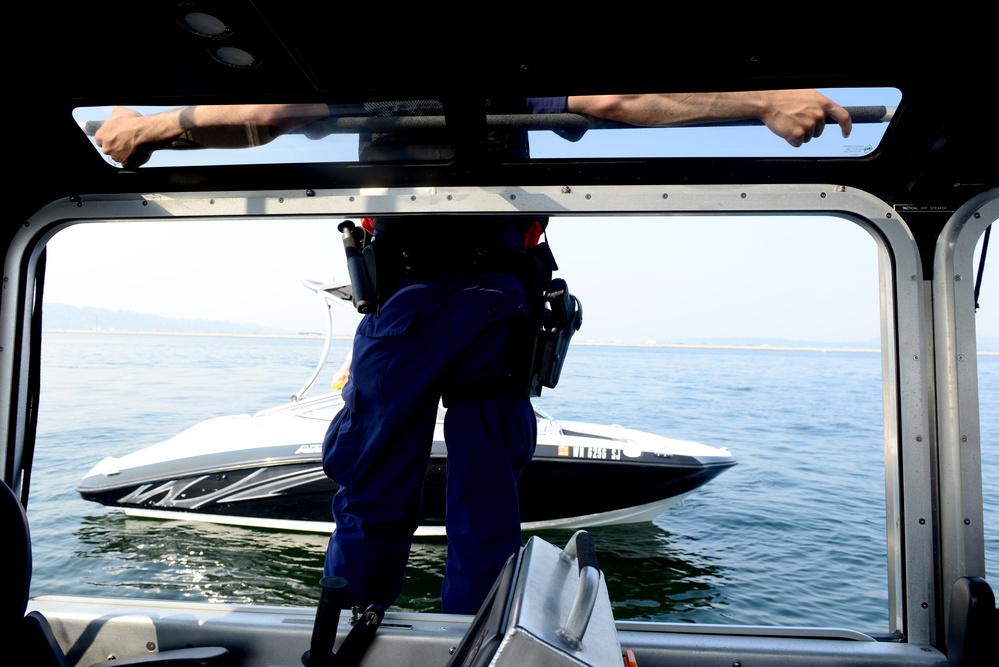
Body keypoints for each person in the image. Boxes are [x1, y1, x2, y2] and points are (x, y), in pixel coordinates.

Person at [95, 90, 852, 615]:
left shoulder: (369, 70)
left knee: (372, 490)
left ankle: (350, 633)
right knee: (487, 501)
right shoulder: (518, 71)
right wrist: (762, 101)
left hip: (407, 305)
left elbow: (264, 114)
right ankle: (470, 640)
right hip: (499, 304)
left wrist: (155, 126)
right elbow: (614, 105)